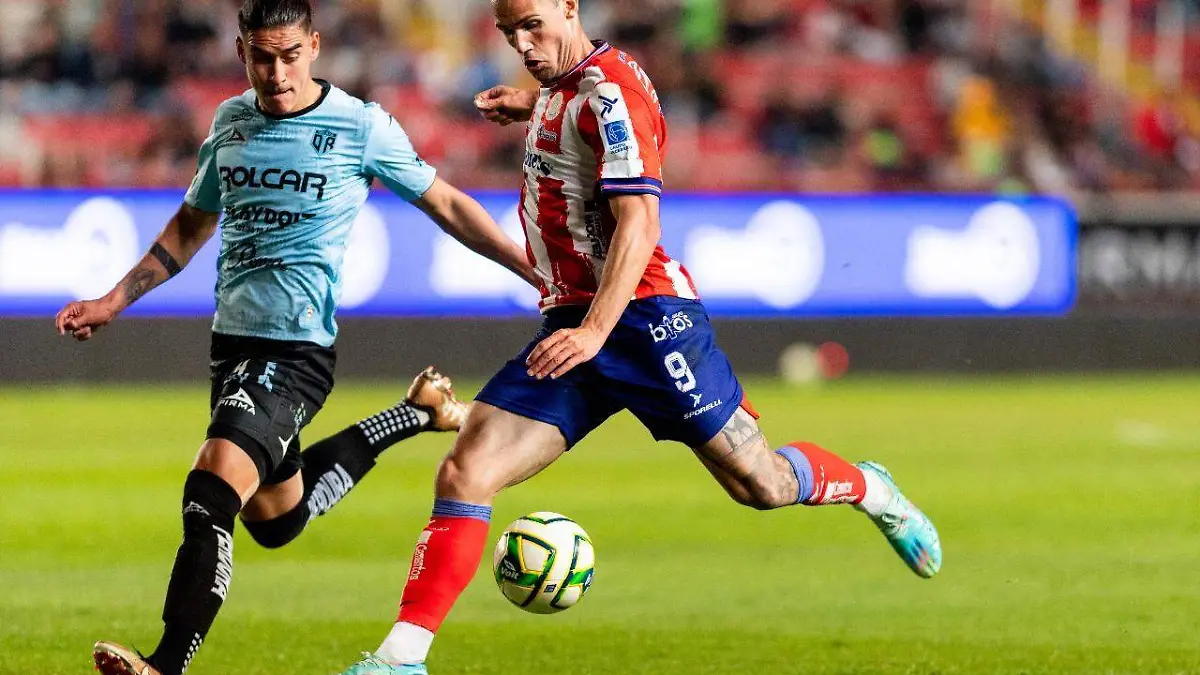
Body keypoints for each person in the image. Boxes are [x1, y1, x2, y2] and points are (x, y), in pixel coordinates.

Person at [337, 1, 942, 673]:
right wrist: (533, 102)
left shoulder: (609, 92)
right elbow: (581, 109)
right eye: (510, 32)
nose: (523, 45)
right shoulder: (569, 86)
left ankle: (870, 487)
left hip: (647, 322)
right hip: (574, 323)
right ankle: (401, 658)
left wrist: (597, 330)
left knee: (762, 484)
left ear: (569, 7)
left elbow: (639, 221)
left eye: (534, 25)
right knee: (467, 469)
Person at [54, 2, 538, 674]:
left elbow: (446, 202)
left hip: (295, 353)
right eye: (262, 57)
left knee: (211, 489)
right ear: (242, 52)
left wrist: (528, 267)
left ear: (313, 46)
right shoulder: (231, 123)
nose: (277, 73)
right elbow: (191, 225)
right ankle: (417, 413)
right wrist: (114, 299)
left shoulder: (359, 126)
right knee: (276, 518)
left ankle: (165, 663)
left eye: (289, 56)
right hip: (231, 349)